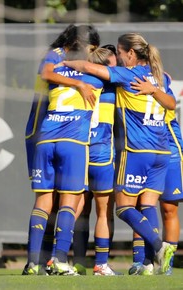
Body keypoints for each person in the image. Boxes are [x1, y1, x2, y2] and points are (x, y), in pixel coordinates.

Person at [63, 32, 176, 274]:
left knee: (123, 208)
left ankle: (159, 246)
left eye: (121, 53)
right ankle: (150, 266)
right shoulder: (160, 78)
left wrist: (63, 64)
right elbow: (171, 104)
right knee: (147, 206)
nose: (120, 58)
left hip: (137, 150)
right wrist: (154, 91)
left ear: (131, 54)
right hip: (162, 152)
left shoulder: (127, 75)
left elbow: (87, 66)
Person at [23, 24, 101, 275]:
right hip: (72, 142)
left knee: (43, 202)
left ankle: (34, 263)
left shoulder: (63, 67)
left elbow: (49, 75)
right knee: (70, 200)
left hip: (45, 137)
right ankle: (59, 260)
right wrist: (80, 84)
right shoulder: (62, 58)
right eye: (91, 48)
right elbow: (46, 72)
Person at [127, 76, 183, 275]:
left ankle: (166, 264)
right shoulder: (130, 77)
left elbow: (169, 103)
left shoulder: (163, 77)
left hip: (170, 147)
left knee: (169, 208)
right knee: (141, 205)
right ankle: (142, 261)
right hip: (143, 147)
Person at [72, 46, 119, 276]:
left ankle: (71, 261)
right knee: (104, 212)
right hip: (101, 153)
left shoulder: (79, 84)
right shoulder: (113, 87)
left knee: (79, 211)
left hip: (80, 151)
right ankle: (101, 264)